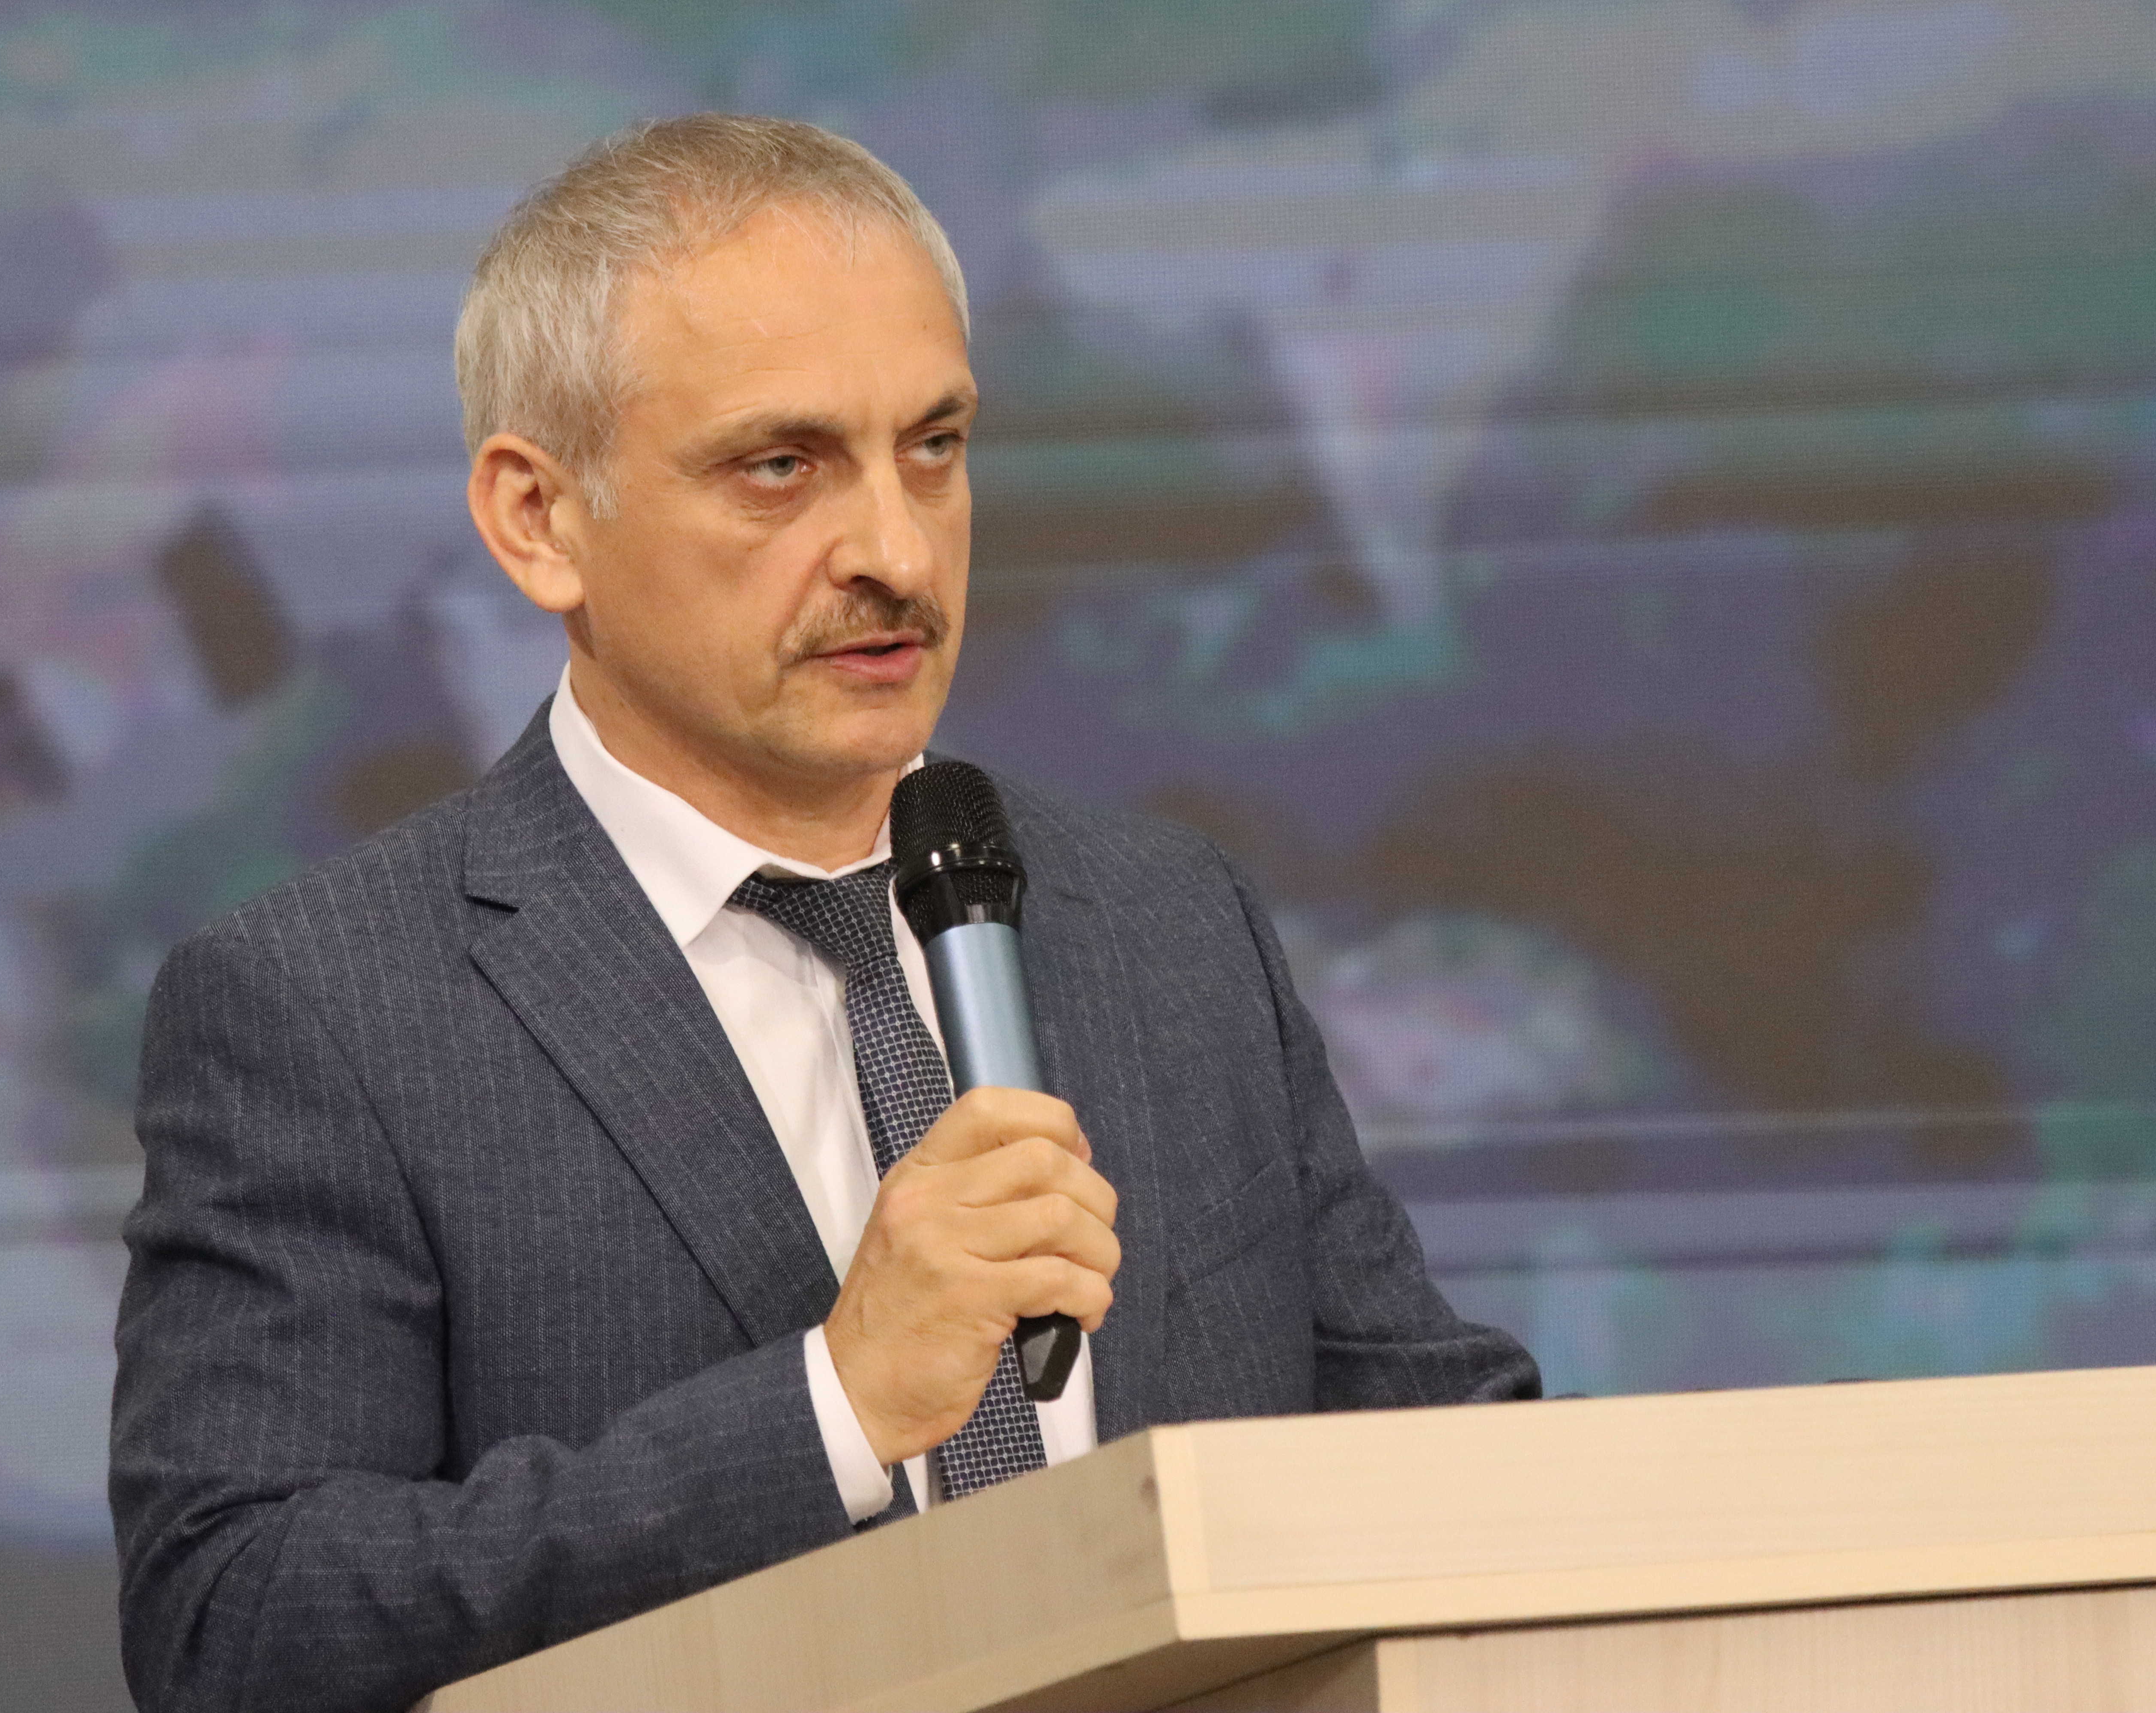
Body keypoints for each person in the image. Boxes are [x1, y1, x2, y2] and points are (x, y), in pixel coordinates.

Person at [109, 114, 1538, 1713]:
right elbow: (238, 1626)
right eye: (779, 468)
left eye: (932, 446)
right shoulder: (326, 1007)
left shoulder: (1165, 922)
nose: (895, 550)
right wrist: (834, 1408)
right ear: (538, 519)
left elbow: (1439, 1449)